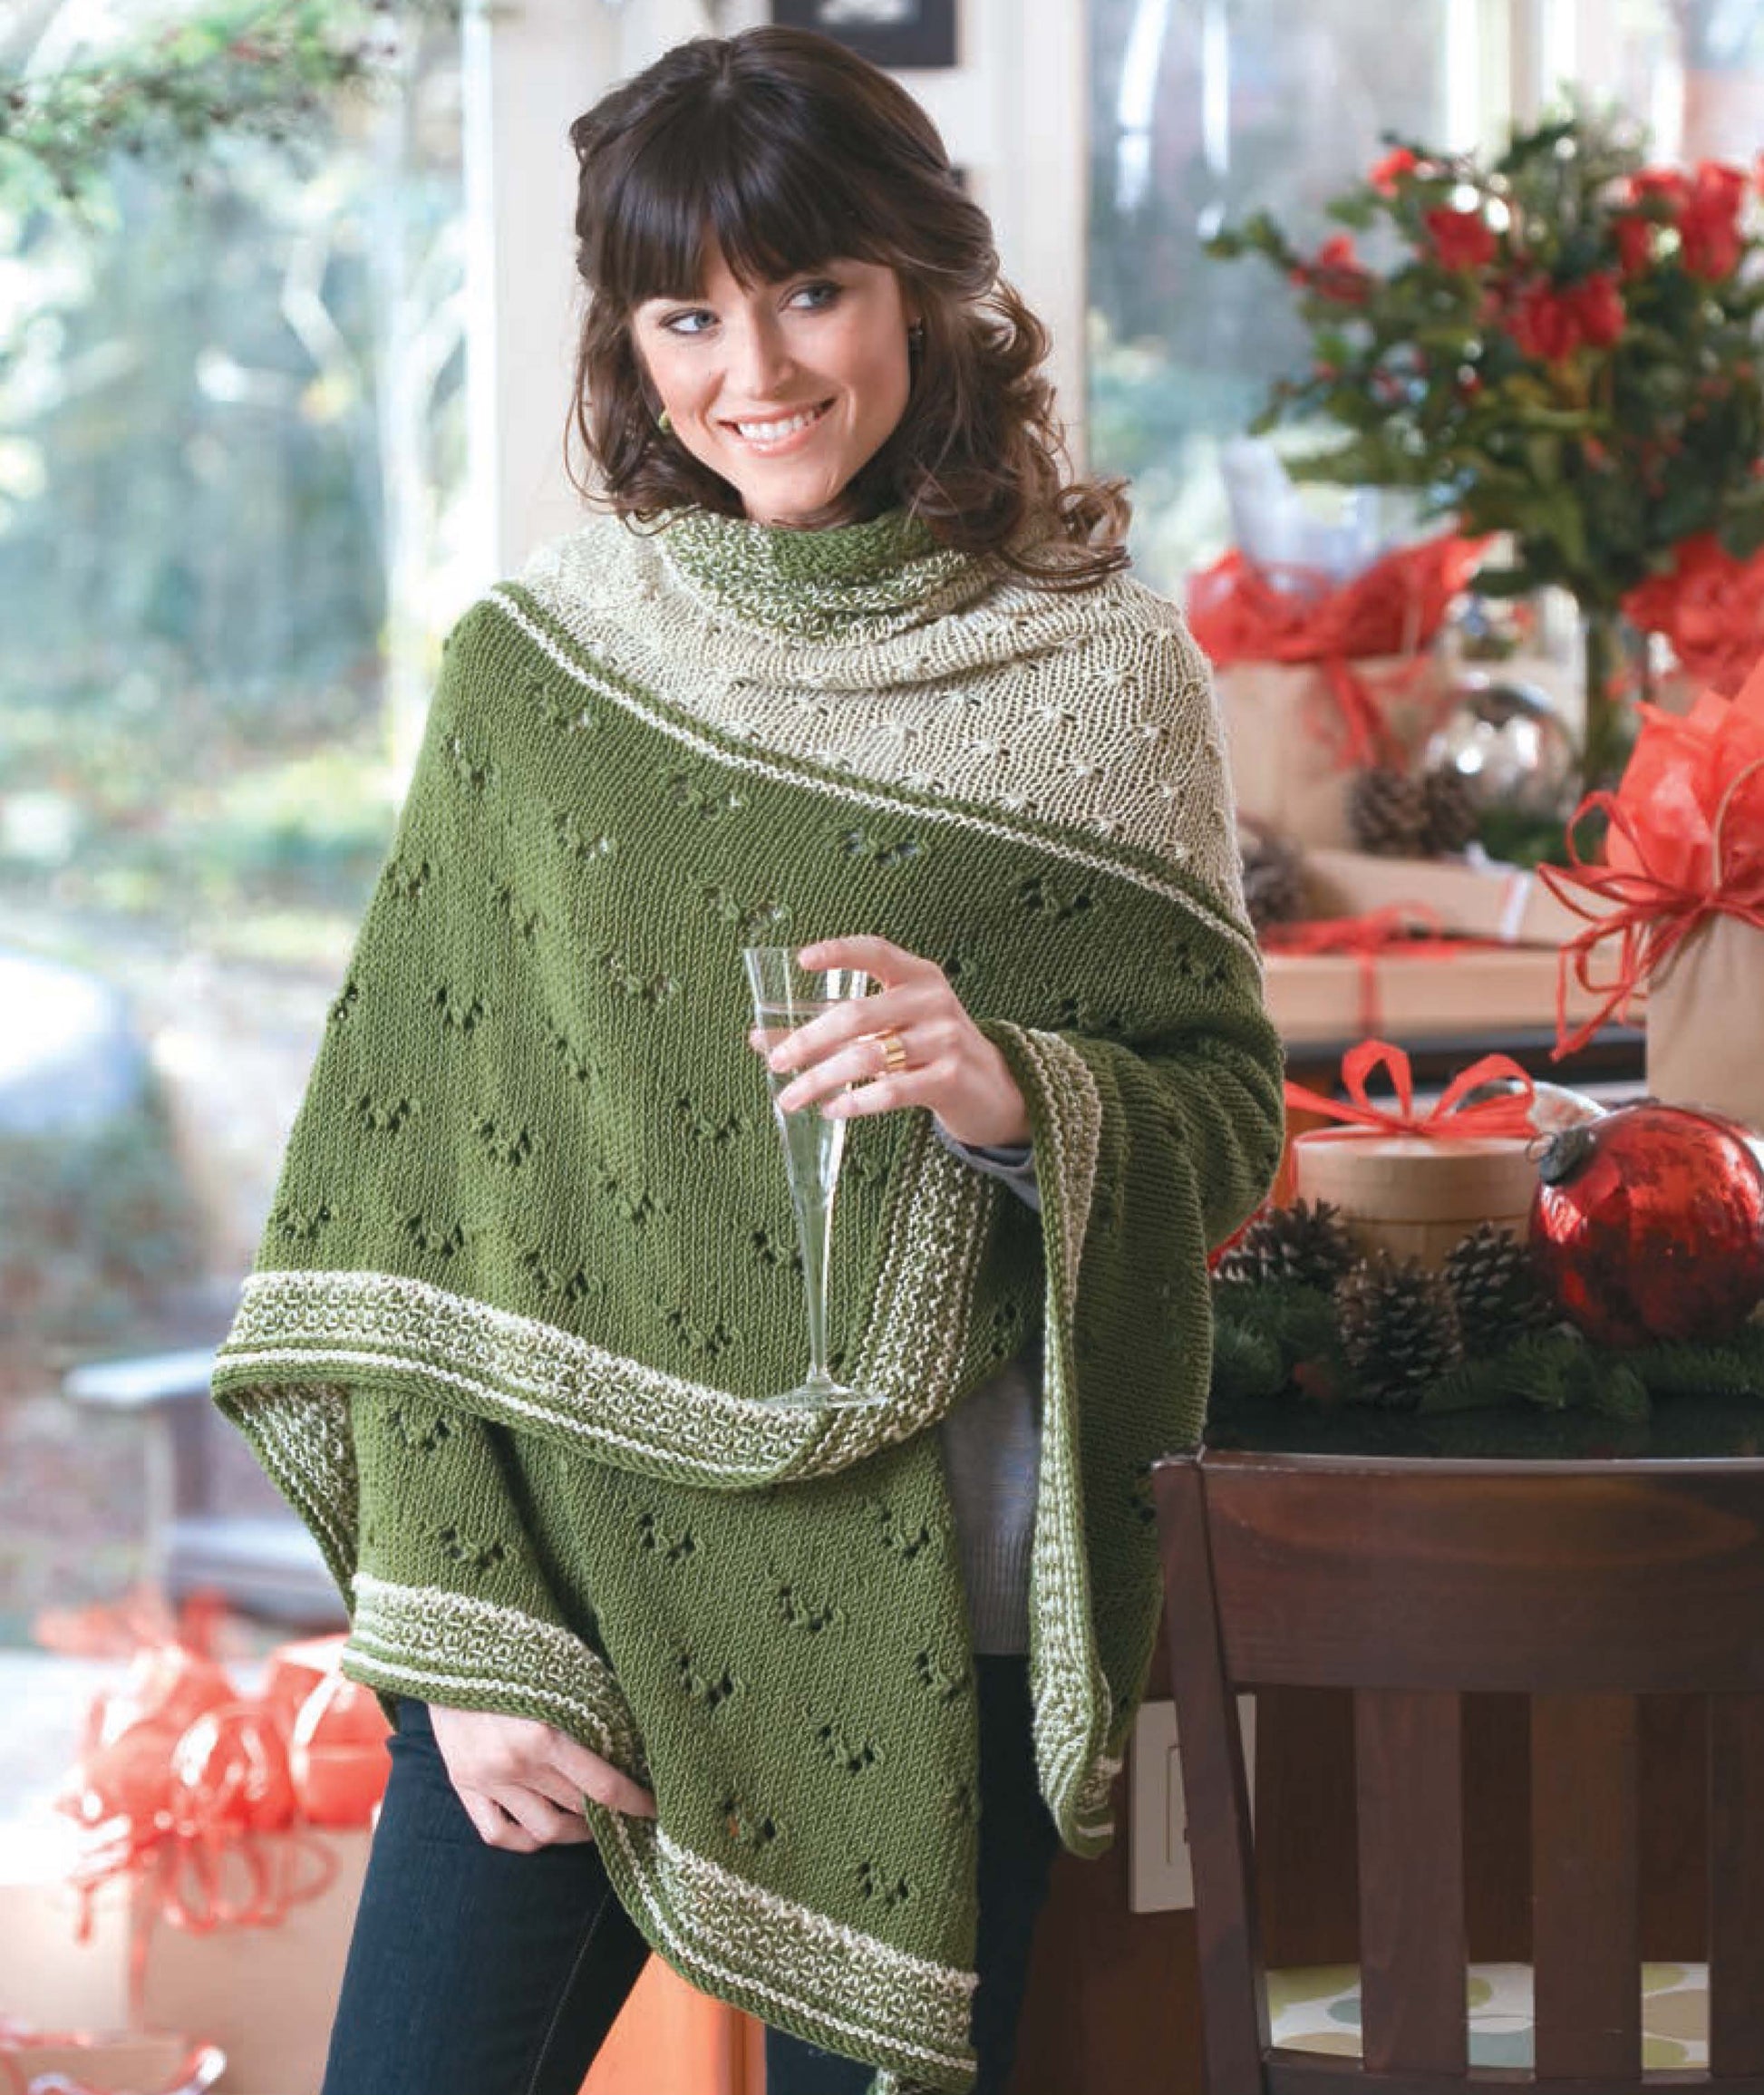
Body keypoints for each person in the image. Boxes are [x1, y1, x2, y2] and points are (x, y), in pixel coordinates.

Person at [209, 24, 1285, 2095]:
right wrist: (458, 1637)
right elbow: (403, 1207)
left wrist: (1012, 1094)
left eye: (809, 290)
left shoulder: (1101, 675)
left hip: (931, 1616)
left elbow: (1228, 1118)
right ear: (628, 343)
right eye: (685, 314)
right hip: (557, 1599)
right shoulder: (534, 679)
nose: (756, 370)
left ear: (921, 290)